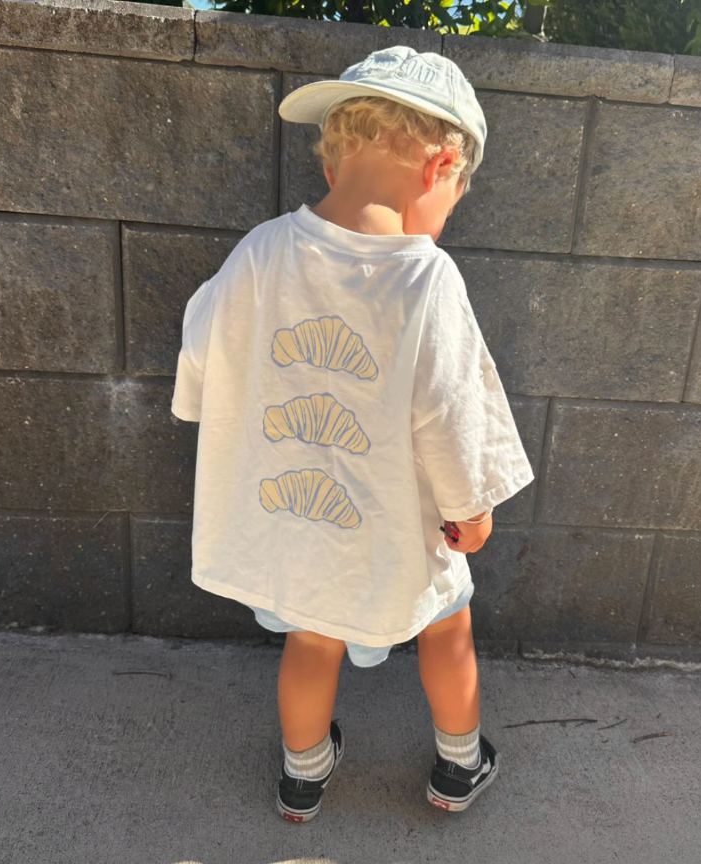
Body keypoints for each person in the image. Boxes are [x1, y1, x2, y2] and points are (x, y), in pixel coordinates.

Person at [170, 45, 534, 822]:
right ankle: (460, 765)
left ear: (334, 167)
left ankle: (303, 774)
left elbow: (201, 349)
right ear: (439, 169)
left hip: (303, 524)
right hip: (401, 522)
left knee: (310, 638)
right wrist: (472, 508)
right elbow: (450, 411)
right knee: (447, 628)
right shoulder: (425, 276)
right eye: (455, 196)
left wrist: (223, 408)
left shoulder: (262, 249)